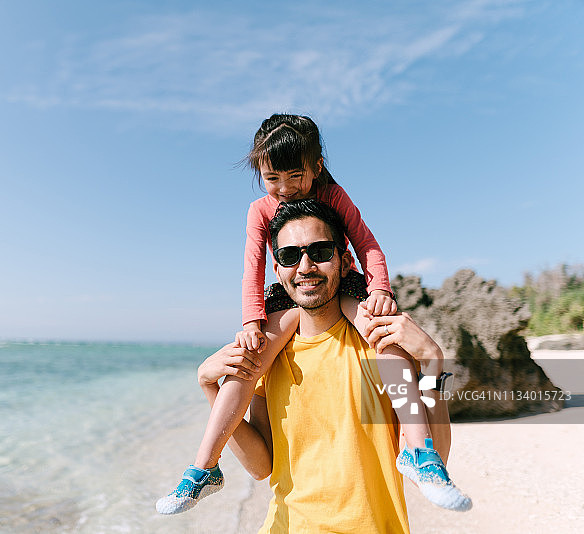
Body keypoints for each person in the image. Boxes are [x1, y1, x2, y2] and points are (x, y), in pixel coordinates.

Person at [157, 114, 469, 514]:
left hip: (355, 288)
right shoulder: (260, 211)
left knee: (383, 337)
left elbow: (368, 245)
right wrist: (245, 330)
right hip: (287, 518)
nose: (285, 189)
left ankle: (420, 453)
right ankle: (203, 467)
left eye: (295, 176)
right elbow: (252, 265)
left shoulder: (334, 195)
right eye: (273, 179)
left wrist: (385, 300)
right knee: (247, 361)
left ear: (316, 166)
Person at [197, 200, 470, 532]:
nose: (305, 266)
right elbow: (259, 465)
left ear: (344, 261)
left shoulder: (381, 347)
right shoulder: (266, 357)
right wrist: (210, 387)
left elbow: (432, 456)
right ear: (277, 269)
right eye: (289, 256)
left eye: (321, 251)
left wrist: (432, 363)